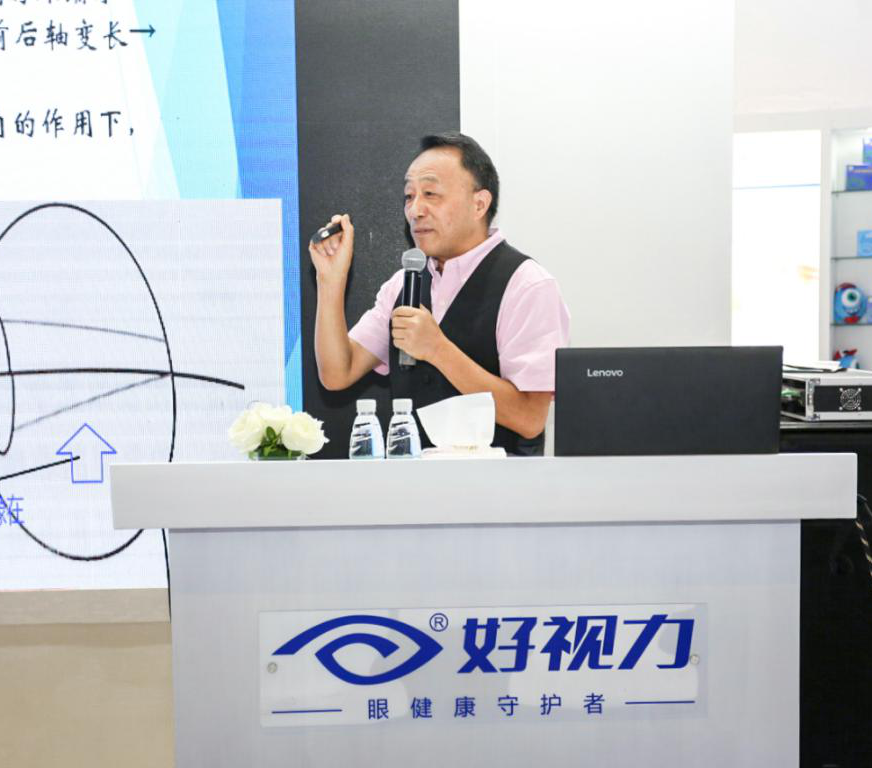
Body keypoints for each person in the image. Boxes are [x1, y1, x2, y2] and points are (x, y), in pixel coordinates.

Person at [310, 132, 570, 455]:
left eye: (431, 193)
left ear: (479, 204)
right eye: (409, 196)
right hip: (416, 483)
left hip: (500, 484)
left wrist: (437, 349)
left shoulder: (526, 285)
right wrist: (329, 281)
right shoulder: (403, 284)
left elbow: (530, 418)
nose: (415, 210)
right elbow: (338, 373)